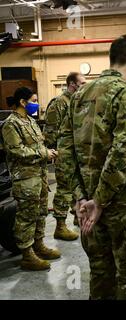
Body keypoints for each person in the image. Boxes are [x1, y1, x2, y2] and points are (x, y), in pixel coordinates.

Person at [58, 34, 126, 300]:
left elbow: (66, 153)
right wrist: (100, 201)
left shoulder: (79, 96)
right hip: (125, 206)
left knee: (101, 278)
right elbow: (122, 152)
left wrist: (81, 197)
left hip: (88, 207)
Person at [2, 87, 60, 271]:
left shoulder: (31, 122)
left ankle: (39, 245)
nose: (36, 104)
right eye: (34, 100)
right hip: (25, 179)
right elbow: (16, 150)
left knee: (41, 212)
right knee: (26, 216)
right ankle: (27, 255)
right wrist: (45, 153)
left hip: (39, 176)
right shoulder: (11, 124)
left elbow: (39, 143)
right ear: (22, 102)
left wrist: (49, 152)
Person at [44, 72, 86, 241]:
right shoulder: (59, 103)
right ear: (72, 84)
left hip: (77, 151)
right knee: (64, 189)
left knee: (78, 185)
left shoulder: (78, 101)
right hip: (64, 152)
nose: (84, 85)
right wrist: (55, 152)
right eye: (82, 83)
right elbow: (50, 131)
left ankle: (78, 216)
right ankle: (60, 226)